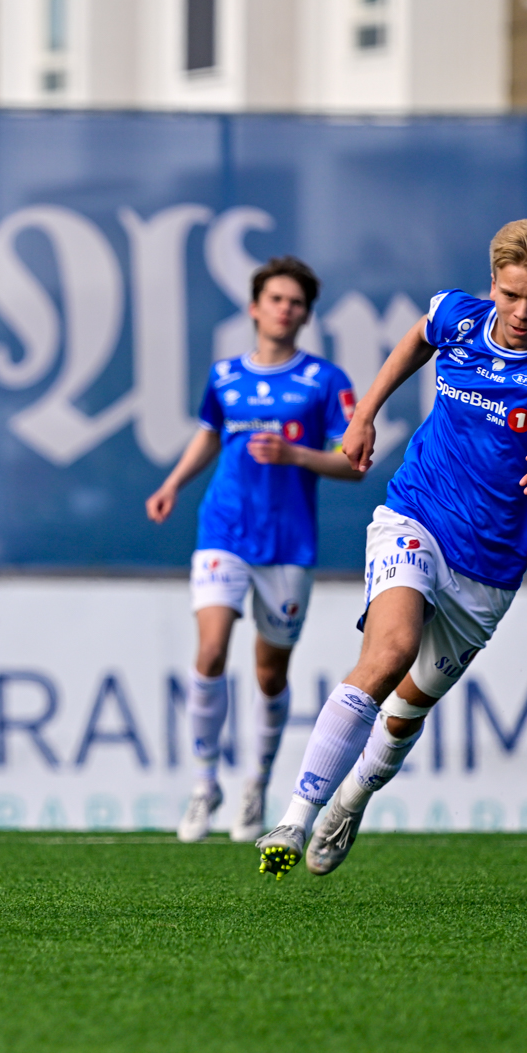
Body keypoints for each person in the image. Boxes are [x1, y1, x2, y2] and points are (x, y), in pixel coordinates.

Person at [254, 217, 527, 878]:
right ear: (492, 282)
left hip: (490, 565)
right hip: (416, 512)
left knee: (409, 706)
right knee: (387, 653)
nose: (522, 313)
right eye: (511, 295)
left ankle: (351, 799)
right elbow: (416, 338)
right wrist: (363, 413)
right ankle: (293, 818)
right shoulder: (457, 316)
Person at [147, 257, 361, 844]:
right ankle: (204, 783)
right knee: (211, 650)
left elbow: (352, 461)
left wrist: (297, 456)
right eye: (275, 299)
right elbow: (210, 435)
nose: (284, 309)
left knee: (270, 674)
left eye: (295, 302)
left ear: (306, 314)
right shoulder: (224, 375)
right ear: (254, 307)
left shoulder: (325, 381)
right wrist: (171, 484)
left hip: (288, 543)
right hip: (223, 528)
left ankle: (256, 786)